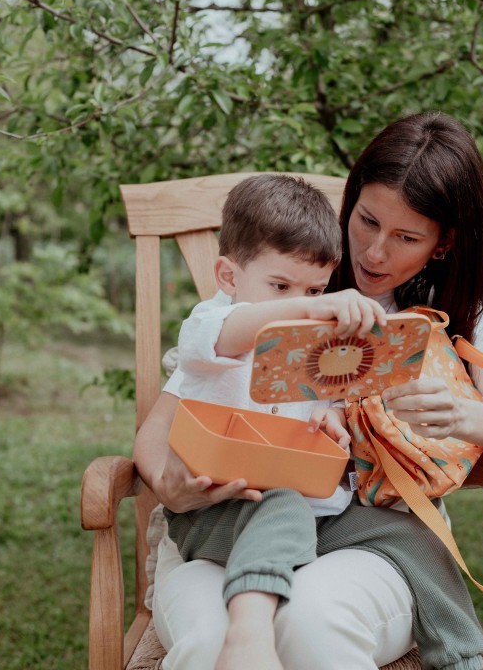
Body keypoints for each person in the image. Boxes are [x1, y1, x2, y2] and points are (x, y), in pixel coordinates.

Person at [134, 111, 483, 670]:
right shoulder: (285, 278)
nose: (375, 253)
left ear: (442, 243)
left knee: (314, 621)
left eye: (406, 237)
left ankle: (460, 654)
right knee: (213, 638)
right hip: (231, 521)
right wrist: (170, 487)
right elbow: (165, 423)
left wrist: (460, 415)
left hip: (359, 534)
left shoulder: (447, 317)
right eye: (366, 221)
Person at [164, 174, 387, 670]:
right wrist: (309, 304)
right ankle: (248, 635)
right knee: (282, 504)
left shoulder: (315, 341)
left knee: (404, 532)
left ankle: (459, 652)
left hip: (309, 516)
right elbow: (230, 336)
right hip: (217, 512)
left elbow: (328, 400)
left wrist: (330, 417)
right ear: (228, 277)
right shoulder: (211, 324)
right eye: (280, 286)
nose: (300, 302)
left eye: (316, 287)